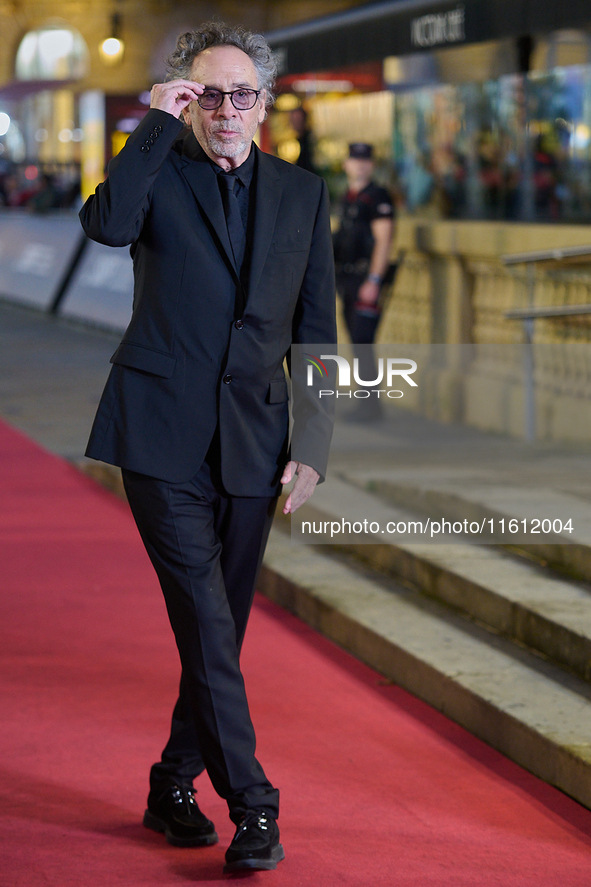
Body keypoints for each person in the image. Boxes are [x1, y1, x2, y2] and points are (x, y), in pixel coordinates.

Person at [79, 21, 336, 874]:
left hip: (256, 443)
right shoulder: (155, 169)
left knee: (215, 631)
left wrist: (315, 443)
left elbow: (316, 331)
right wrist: (149, 123)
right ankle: (253, 805)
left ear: (264, 103)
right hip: (158, 435)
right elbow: (107, 226)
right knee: (205, 616)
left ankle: (171, 782)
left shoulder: (303, 194)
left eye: (242, 93)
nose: (227, 109)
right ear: (187, 98)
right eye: (207, 92)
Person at [333, 142, 395, 420]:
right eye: (355, 160)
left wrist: (374, 279)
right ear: (346, 164)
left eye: (365, 160)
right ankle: (366, 404)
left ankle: (372, 407)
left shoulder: (378, 197)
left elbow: (384, 240)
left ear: (372, 165)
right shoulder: (349, 197)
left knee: (362, 340)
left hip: (365, 278)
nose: (360, 165)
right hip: (347, 278)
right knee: (355, 340)